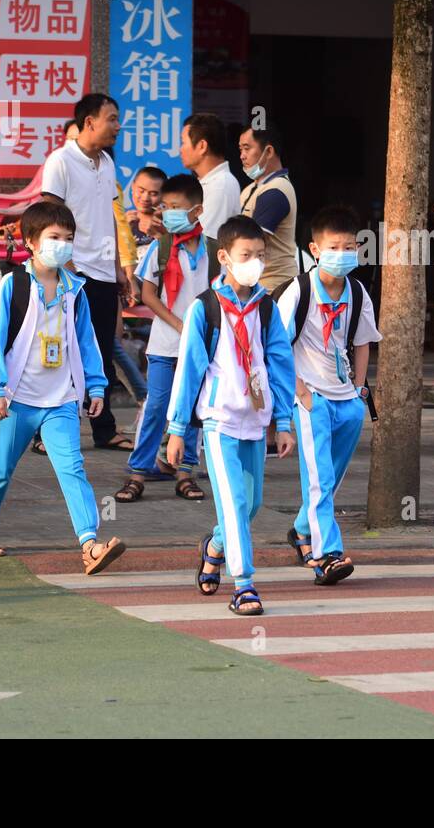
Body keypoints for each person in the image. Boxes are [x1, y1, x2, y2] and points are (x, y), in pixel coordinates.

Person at [0, 200, 126, 575]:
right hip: (16, 399)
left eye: (68, 238)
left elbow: (87, 343)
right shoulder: (12, 285)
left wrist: (97, 387)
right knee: (1, 467)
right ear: (31, 242)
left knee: (73, 468)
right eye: (54, 237)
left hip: (61, 399)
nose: (63, 245)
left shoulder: (75, 291)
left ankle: (89, 544)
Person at [166, 215, 296, 617]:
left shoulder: (266, 307)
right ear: (224, 257)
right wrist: (176, 430)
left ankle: (215, 547)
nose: (254, 261)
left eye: (260, 255)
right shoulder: (205, 309)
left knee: (252, 505)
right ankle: (244, 585)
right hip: (219, 422)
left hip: (256, 422)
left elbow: (280, 363)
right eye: (246, 255)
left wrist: (285, 421)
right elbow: (188, 370)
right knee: (235, 502)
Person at [275, 205, 382, 586]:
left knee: (331, 477)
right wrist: (300, 392)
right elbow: (278, 345)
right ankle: (327, 555)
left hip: (347, 400)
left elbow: (364, 340)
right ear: (315, 249)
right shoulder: (299, 290)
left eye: (350, 246)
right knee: (319, 478)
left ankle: (302, 528)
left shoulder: (356, 291)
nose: (344, 254)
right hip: (311, 398)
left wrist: (359, 388)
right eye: (334, 246)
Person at [41, 94, 134, 451]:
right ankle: (42, 433)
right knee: (62, 350)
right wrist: (66, 265)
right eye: (111, 118)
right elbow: (50, 214)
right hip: (72, 271)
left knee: (100, 351)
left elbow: (107, 215)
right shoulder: (60, 161)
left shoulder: (107, 163)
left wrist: (117, 266)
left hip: (103, 272)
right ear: (90, 122)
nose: (117, 126)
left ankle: (104, 429)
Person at [116, 174, 210, 503]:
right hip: (164, 345)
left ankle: (186, 472)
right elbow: (147, 295)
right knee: (156, 406)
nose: (168, 212)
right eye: (166, 206)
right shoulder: (161, 247)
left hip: (200, 349)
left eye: (176, 207)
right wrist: (180, 325)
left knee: (194, 410)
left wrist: (199, 332)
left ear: (197, 211)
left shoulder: (213, 250)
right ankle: (138, 472)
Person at [238, 125, 299, 291]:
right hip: (257, 286)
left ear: (269, 152)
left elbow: (250, 242)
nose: (242, 156)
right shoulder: (250, 189)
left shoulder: (276, 189)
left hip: (275, 288)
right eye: (240, 150)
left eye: (247, 148)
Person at [180, 112, 241, 258]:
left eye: (183, 142)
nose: (180, 149)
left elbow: (204, 240)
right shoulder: (210, 183)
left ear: (202, 146)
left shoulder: (221, 185)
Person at [127, 165, 167, 247]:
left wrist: (158, 235)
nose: (145, 198)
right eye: (141, 191)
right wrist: (122, 232)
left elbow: (180, 256)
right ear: (132, 187)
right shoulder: (121, 223)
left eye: (153, 194)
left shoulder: (169, 225)